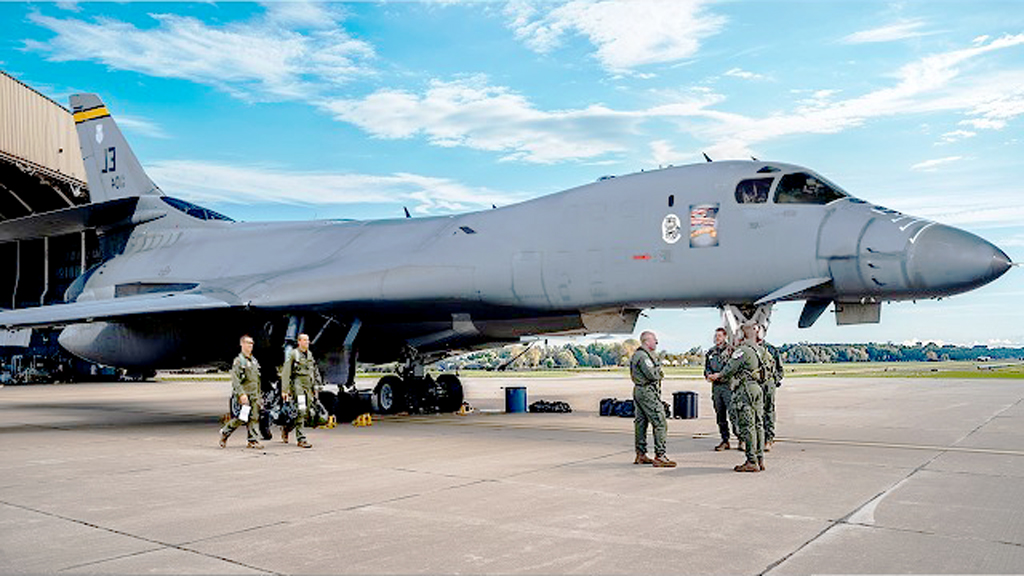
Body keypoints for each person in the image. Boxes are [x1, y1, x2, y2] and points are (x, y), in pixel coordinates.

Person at [709, 324, 766, 472]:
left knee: (748, 425)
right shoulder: (760, 350)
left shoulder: (742, 351)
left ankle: (751, 461)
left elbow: (729, 369)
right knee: (759, 424)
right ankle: (759, 458)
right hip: (757, 388)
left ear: (741, 336)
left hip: (745, 389)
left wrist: (718, 376)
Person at [629, 331, 676, 468]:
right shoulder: (644, 357)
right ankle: (660, 456)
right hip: (647, 392)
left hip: (640, 391)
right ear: (647, 341)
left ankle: (641, 454)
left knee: (641, 422)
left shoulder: (638, 354)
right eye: (654, 340)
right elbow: (653, 375)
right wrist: (660, 372)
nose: (656, 342)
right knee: (660, 422)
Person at [219, 335, 263, 449]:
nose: (250, 345)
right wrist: (241, 394)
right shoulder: (239, 361)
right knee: (241, 418)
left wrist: (259, 396)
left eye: (252, 343)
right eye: (248, 343)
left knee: (254, 417)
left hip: (254, 395)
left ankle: (253, 440)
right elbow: (235, 380)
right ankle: (225, 432)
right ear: (242, 344)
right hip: (245, 395)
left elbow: (256, 380)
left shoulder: (254, 361)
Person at [280, 333, 318, 449]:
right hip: (298, 385)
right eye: (305, 340)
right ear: (299, 342)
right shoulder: (293, 354)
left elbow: (313, 372)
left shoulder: (310, 355)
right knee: (301, 410)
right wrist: (285, 390)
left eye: (308, 340)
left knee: (306, 412)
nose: (307, 342)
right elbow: (286, 372)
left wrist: (314, 388)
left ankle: (287, 428)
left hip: (307, 385)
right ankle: (301, 439)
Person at [705, 327, 739, 451]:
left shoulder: (732, 351)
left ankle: (741, 439)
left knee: (734, 414)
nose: (717, 338)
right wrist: (708, 375)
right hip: (716, 388)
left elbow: (732, 368)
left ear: (725, 337)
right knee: (720, 415)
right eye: (716, 336)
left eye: (719, 336)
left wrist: (720, 375)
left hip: (728, 387)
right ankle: (725, 440)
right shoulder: (710, 352)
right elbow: (707, 368)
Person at [758, 329, 784, 451]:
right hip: (754, 385)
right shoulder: (749, 349)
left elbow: (780, 369)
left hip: (768, 384)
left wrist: (773, 381)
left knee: (768, 411)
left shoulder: (772, 350)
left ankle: (768, 438)